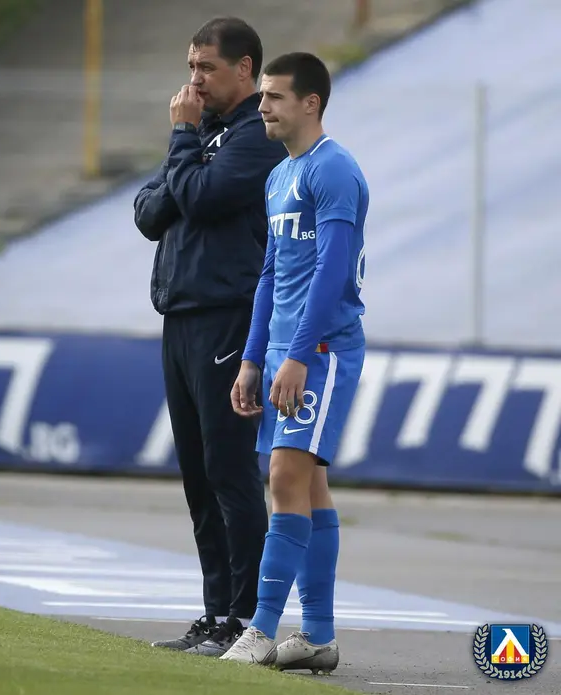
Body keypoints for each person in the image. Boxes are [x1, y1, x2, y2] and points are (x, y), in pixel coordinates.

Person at [133, 17, 287, 657]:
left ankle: (247, 620)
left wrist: (182, 141)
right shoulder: (204, 133)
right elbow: (148, 213)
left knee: (229, 471)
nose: (193, 81)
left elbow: (199, 199)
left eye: (207, 68)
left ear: (244, 69)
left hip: (228, 318)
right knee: (198, 477)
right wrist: (187, 153)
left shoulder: (256, 137)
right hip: (181, 317)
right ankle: (216, 613)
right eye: (191, 67)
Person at [222, 52, 369, 672]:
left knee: (284, 478)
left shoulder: (333, 169)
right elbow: (271, 275)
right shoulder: (279, 176)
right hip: (287, 352)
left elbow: (332, 272)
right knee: (307, 485)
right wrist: (253, 358)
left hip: (323, 350)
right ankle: (318, 637)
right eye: (262, 96)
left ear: (311, 103)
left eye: (275, 97)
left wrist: (300, 355)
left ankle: (260, 629)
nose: (263, 107)